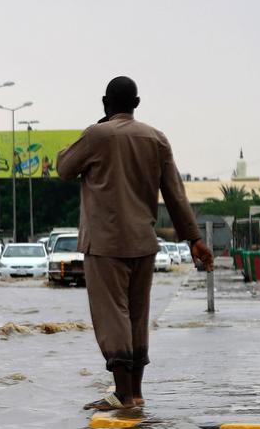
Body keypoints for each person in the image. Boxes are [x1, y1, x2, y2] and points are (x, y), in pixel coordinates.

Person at [57, 76, 214, 410]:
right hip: (144, 242)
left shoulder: (97, 135)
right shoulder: (156, 138)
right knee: (137, 316)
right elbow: (175, 193)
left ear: (105, 103)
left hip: (105, 244)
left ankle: (121, 394)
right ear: (137, 104)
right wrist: (194, 240)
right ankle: (136, 393)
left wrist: (94, 130)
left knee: (112, 314)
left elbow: (64, 168)